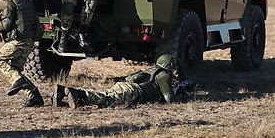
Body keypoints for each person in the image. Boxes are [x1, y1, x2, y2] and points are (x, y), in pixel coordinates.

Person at [52, 54, 180, 108]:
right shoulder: (164, 75)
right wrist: (180, 95)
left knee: (104, 96)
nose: (175, 71)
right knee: (105, 99)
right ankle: (76, 93)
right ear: (169, 66)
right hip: (133, 91)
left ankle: (62, 91)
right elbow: (169, 99)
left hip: (126, 85)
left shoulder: (153, 70)